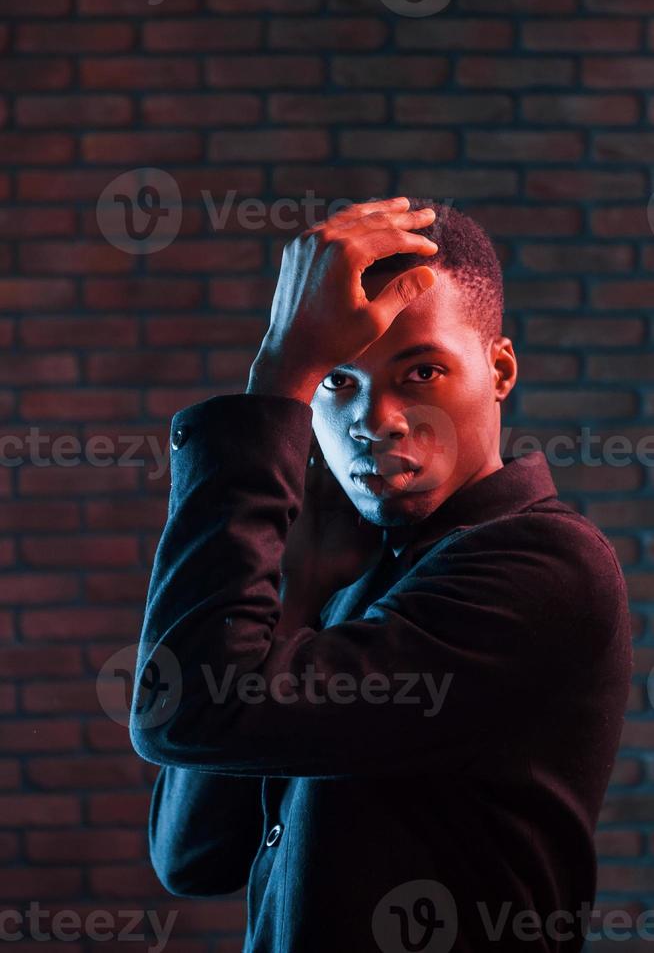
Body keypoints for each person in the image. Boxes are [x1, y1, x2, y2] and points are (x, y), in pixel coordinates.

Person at [130, 196, 633, 952]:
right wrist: (292, 573)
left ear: (498, 371)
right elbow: (193, 856)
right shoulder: (363, 584)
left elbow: (185, 710)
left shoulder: (546, 567)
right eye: (335, 382)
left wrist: (278, 378)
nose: (379, 418)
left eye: (423, 370)